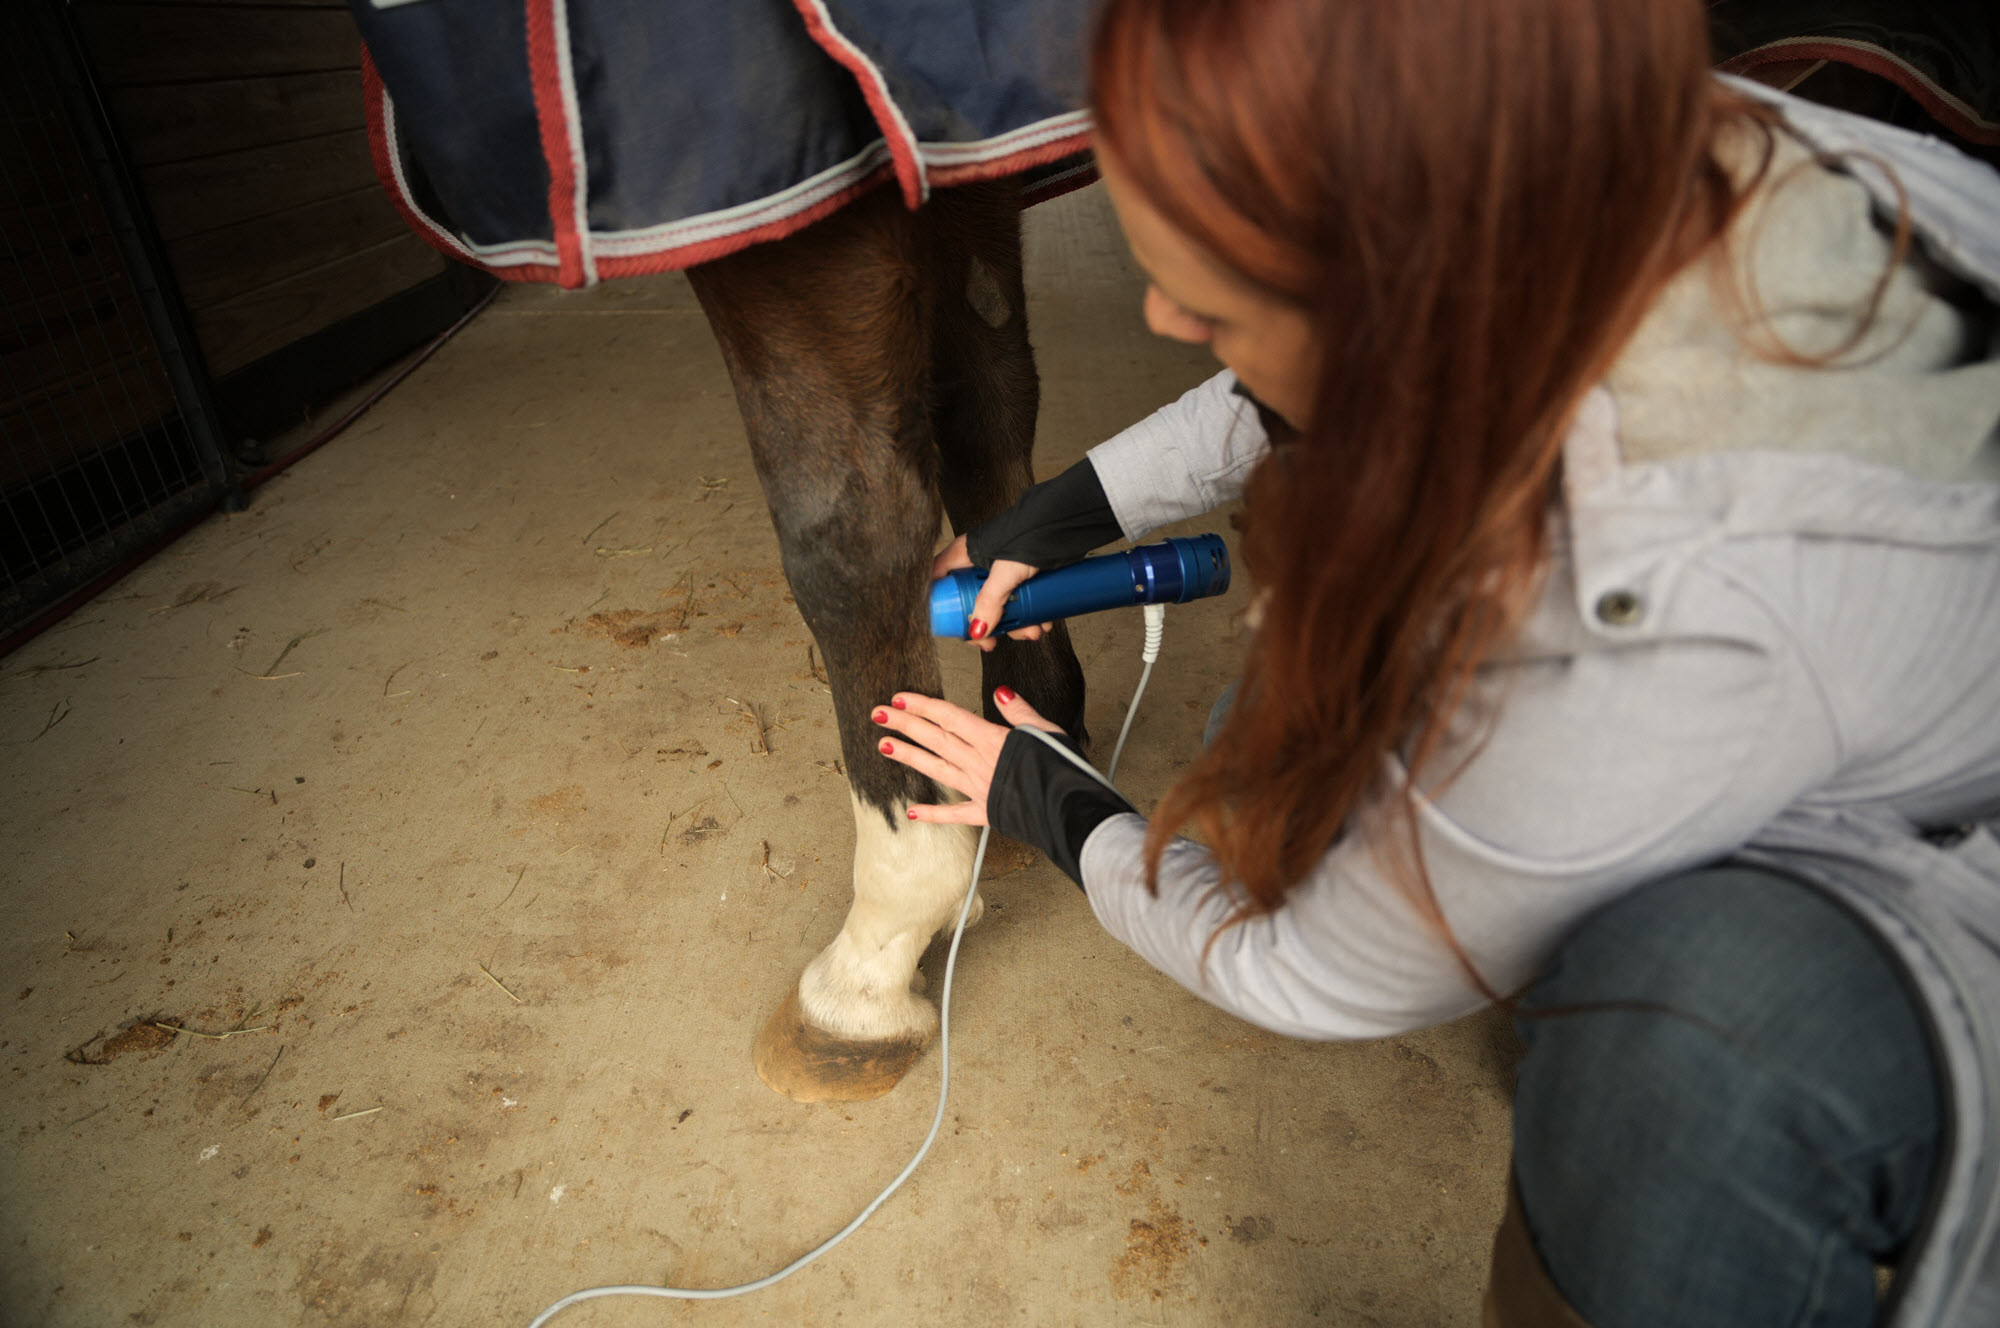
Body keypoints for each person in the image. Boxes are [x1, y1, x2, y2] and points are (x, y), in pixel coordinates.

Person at [871, 0, 2000, 1323]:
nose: (1161, 314)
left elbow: (1300, 962)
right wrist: (1060, 513)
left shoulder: (1631, 620)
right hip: (1866, 686)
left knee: (1687, 1039)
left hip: (1935, 854)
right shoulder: (1651, 152)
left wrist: (1051, 799)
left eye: (1212, 291)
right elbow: (1300, 362)